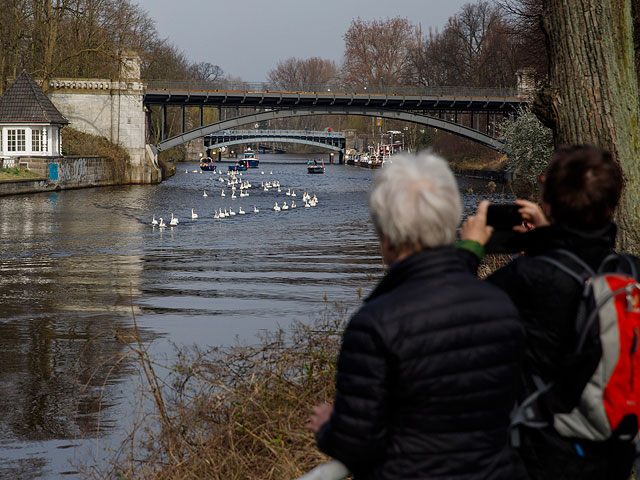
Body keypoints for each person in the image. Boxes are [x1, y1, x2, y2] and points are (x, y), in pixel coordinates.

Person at [306, 152, 524, 479]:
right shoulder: (502, 307)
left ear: (386, 236)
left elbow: (355, 444)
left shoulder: (375, 325)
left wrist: (327, 427)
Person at [462, 145, 640, 480]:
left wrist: (469, 250)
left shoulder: (526, 278)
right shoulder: (630, 274)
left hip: (541, 457)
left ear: (549, 202)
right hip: (613, 455)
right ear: (613, 203)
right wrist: (548, 237)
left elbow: (449, 319)